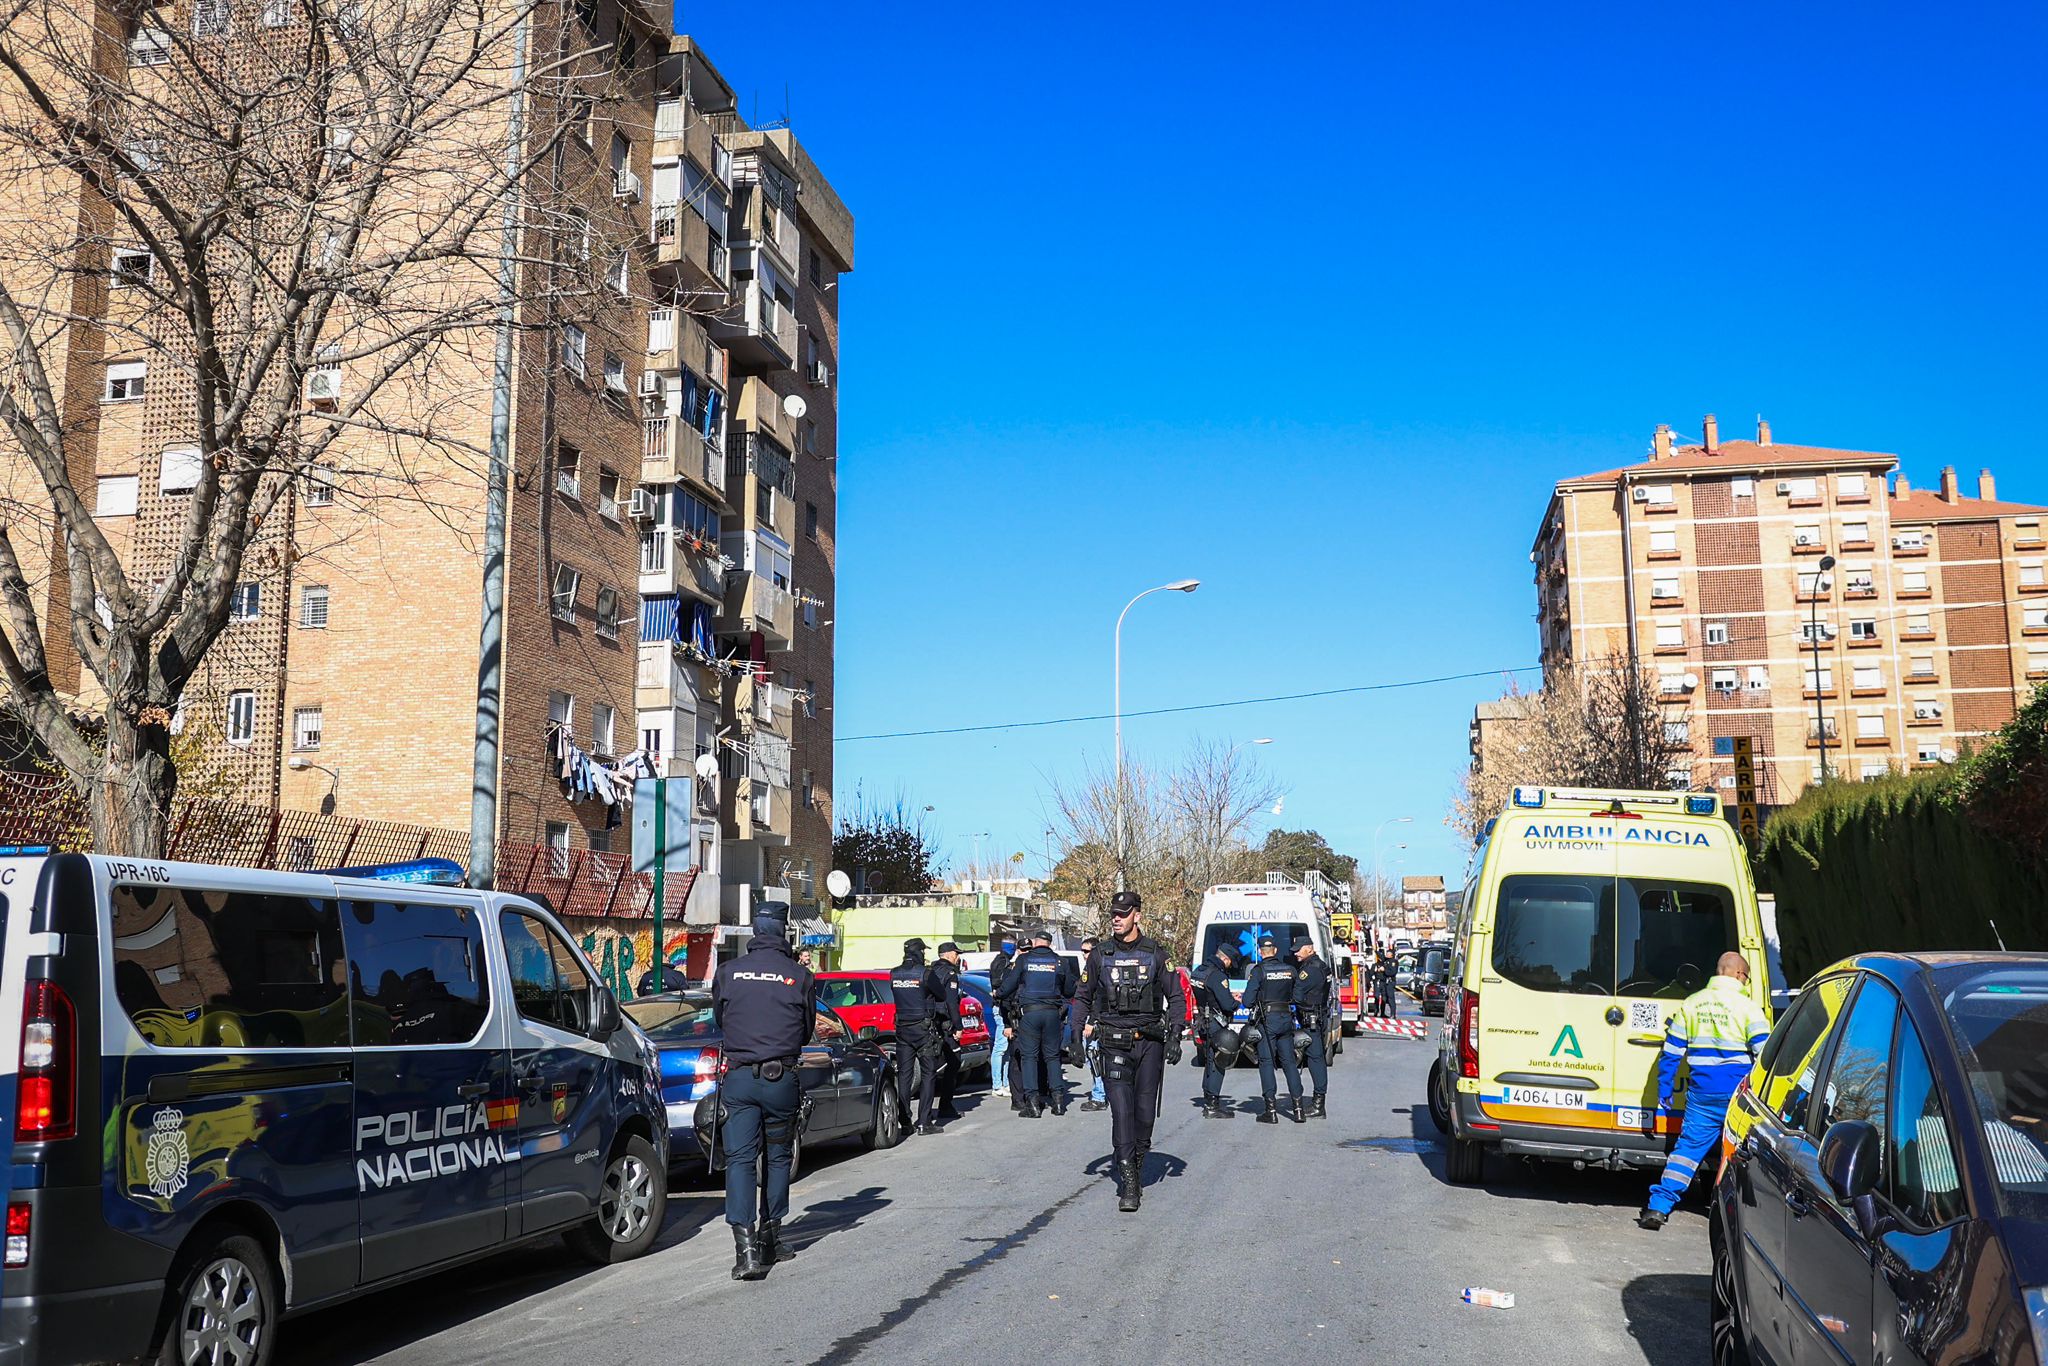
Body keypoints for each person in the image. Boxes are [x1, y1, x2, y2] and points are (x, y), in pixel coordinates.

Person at [711, 911, 815, 1281]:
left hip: (739, 1078)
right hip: (781, 1079)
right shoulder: (800, 976)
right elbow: (806, 1031)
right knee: (777, 1158)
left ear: (755, 932)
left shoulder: (728, 972)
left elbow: (721, 1020)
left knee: (739, 1161)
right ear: (783, 932)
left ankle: (746, 1253)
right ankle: (772, 1238)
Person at [1638, 951, 1772, 1231]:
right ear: (1738, 974)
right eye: (1746, 977)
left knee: (1687, 1150)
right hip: (1739, 1096)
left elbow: (1672, 1052)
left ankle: (1658, 1207)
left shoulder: (1691, 1004)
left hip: (1702, 1094)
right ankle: (1735, 1216)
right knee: (1738, 1154)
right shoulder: (1748, 1008)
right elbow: (1765, 1056)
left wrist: (1665, 1088)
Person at [1083, 891, 1187, 1213]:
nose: (1116, 918)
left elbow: (1177, 997)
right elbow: (1081, 997)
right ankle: (1130, 1182)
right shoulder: (1100, 955)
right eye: (1113, 913)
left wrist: (1175, 1035)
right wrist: (1074, 1036)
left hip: (1149, 1044)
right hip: (1113, 1042)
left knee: (1144, 1115)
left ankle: (1136, 1155)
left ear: (1137, 916)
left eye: (1123, 913)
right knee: (1122, 1111)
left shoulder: (1156, 953)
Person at [1240, 932, 1306, 1123]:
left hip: (1267, 1021)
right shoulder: (1290, 970)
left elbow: (1247, 1000)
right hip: (1286, 1019)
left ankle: (1271, 1111)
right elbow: (1298, 996)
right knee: (1289, 1063)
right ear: (1275, 950)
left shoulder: (1259, 971)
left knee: (1267, 1063)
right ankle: (1299, 1109)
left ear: (1261, 952)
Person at [889, 938, 945, 1136]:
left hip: (902, 1029)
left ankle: (904, 1121)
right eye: (923, 951)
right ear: (919, 952)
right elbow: (942, 995)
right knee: (929, 1074)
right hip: (923, 1030)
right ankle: (924, 1122)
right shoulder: (925, 973)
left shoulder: (894, 973)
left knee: (904, 1075)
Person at [1192, 942, 1242, 1119]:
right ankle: (1213, 1104)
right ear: (1225, 959)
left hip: (1202, 1021)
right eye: (1230, 962)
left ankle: (1208, 1096)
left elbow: (1208, 995)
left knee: (1208, 1060)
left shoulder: (1199, 970)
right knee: (1218, 1061)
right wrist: (1237, 1001)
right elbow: (1227, 1004)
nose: (1229, 966)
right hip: (1215, 1022)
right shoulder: (1217, 976)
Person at [1291, 935, 1332, 1118]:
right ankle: (1318, 1101)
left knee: (1315, 1060)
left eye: (1299, 950)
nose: (1296, 954)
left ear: (1309, 948)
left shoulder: (1309, 970)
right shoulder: (1322, 966)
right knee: (1317, 1059)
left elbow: (1297, 995)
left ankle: (1318, 1105)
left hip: (1311, 1020)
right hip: (1319, 1016)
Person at [926, 942, 967, 1124]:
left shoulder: (930, 970)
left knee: (931, 1065)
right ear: (949, 954)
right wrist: (958, 1026)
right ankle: (945, 1106)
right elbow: (951, 1002)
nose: (957, 957)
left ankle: (926, 1111)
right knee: (954, 1061)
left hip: (930, 1023)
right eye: (956, 954)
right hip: (945, 1023)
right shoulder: (950, 973)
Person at [1070, 936, 1107, 1111]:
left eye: (1086, 951)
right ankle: (1101, 1093)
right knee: (1094, 1059)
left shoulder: (1099, 969)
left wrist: (1091, 1021)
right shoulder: (1090, 969)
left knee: (1094, 1057)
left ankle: (1100, 1096)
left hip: (1095, 1021)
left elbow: (1098, 998)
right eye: (1082, 951)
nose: (1083, 954)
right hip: (1091, 1019)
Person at [987, 935, 1018, 1103]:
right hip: (1001, 1007)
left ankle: (1005, 1083)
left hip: (1004, 1007)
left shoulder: (1004, 961)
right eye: (1011, 945)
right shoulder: (1001, 962)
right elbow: (998, 983)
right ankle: (997, 1085)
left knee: (1005, 1049)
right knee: (1000, 1048)